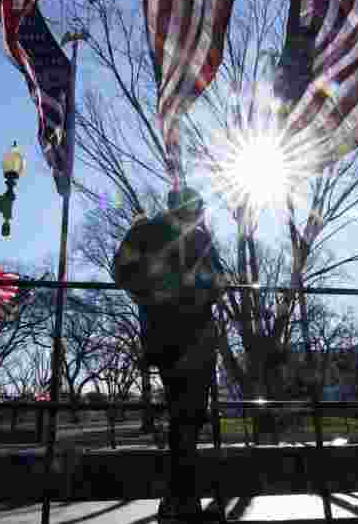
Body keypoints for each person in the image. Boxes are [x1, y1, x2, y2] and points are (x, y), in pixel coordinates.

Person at [112, 187, 225, 523]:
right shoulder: (149, 231)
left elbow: (219, 280)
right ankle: (181, 502)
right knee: (186, 420)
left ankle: (178, 501)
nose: (197, 213)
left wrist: (196, 290)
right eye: (195, 208)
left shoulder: (196, 238)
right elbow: (122, 271)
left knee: (187, 420)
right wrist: (161, 293)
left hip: (189, 336)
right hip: (176, 336)